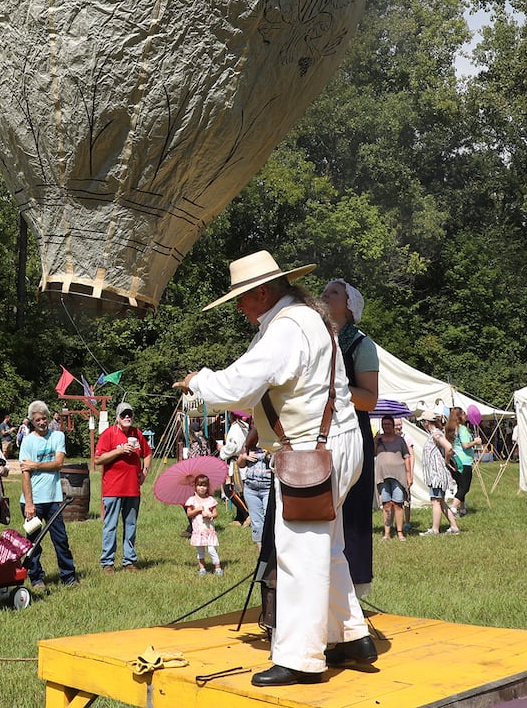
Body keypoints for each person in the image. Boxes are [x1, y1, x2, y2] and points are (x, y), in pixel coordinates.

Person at [176, 249, 373, 687]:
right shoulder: (308, 318)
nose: (240, 309)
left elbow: (238, 386)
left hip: (309, 453)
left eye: (242, 299)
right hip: (336, 445)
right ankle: (351, 635)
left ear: (262, 292)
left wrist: (198, 380)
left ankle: (301, 659)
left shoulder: (285, 329)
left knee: (298, 554)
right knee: (327, 543)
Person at [321, 278, 379, 598]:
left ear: (349, 306)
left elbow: (370, 400)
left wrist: (335, 389)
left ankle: (354, 592)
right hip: (320, 436)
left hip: (353, 435)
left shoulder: (361, 344)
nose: (325, 295)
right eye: (325, 290)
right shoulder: (318, 341)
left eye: (334, 292)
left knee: (352, 514)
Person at [19, 399, 78, 588]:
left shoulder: (58, 436)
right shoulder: (27, 442)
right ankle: (36, 579)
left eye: (44, 419)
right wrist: (29, 504)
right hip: (33, 500)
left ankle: (68, 576)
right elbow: (25, 474)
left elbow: (59, 463)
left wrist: (36, 465)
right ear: (32, 421)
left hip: (54, 499)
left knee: (61, 539)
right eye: (38, 420)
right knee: (34, 543)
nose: (42, 423)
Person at [94, 401, 149, 572]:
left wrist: (144, 472)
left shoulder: (136, 433)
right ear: (117, 417)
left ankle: (129, 560)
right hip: (112, 488)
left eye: (129, 414)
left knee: (130, 525)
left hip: (133, 488)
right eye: (123, 414)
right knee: (110, 526)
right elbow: (97, 459)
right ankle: (107, 563)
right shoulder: (108, 434)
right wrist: (119, 451)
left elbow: (147, 453)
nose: (127, 417)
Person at [419, 410, 461, 535]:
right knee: (440, 501)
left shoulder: (436, 434)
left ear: (426, 422)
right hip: (435, 473)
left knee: (435, 501)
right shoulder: (435, 434)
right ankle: (454, 527)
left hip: (437, 474)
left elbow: (448, 447)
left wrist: (446, 461)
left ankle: (435, 529)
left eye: (422, 422)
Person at [373, 416, 412, 540]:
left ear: (393, 425)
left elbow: (406, 457)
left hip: (398, 476)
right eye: (384, 424)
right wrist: (375, 441)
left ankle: (400, 532)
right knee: (386, 504)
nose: (386, 426)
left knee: (398, 504)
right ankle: (387, 533)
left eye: (389, 424)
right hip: (383, 476)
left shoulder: (399, 440)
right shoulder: (378, 440)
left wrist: (409, 475)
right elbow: (373, 453)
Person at [238, 429, 272, 549]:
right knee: (257, 522)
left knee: (269, 519)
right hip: (251, 488)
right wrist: (245, 457)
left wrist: (269, 454)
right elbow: (240, 464)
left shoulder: (272, 443)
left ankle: (272, 552)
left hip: (268, 488)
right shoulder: (249, 444)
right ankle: (262, 556)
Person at [186, 473, 223, 576]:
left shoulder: (210, 500)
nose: (201, 488)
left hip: (209, 530)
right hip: (198, 531)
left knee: (211, 549)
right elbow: (189, 513)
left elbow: (215, 514)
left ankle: (217, 567)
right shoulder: (192, 500)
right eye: (199, 485)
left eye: (204, 485)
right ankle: (202, 568)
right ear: (195, 486)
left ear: (207, 487)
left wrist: (209, 515)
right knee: (200, 550)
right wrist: (197, 510)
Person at [446, 406, 478, 517]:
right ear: (460, 416)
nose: (466, 415)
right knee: (465, 487)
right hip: (464, 462)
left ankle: (462, 509)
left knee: (460, 485)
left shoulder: (450, 429)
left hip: (454, 461)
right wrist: (476, 442)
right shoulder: (462, 429)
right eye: (464, 413)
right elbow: (466, 445)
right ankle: (453, 508)